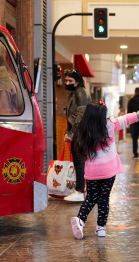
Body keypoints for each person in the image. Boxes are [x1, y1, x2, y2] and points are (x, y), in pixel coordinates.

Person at [70, 102, 139, 239]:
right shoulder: (109, 126)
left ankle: (81, 220)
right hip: (108, 171)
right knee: (104, 198)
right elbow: (125, 119)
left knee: (91, 197)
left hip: (92, 172)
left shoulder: (84, 130)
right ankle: (101, 228)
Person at [63, 69, 92, 202]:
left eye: (70, 81)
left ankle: (80, 191)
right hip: (78, 132)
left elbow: (80, 114)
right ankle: (81, 189)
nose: (67, 82)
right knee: (79, 162)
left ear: (78, 81)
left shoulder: (80, 92)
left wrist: (71, 133)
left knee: (79, 162)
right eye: (66, 80)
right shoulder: (76, 92)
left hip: (80, 133)